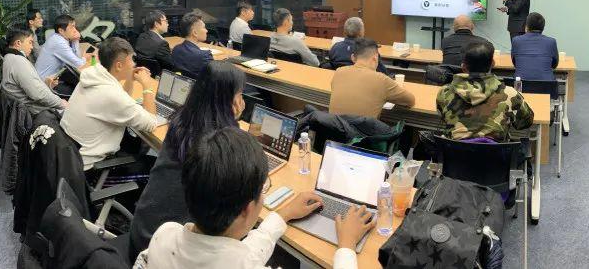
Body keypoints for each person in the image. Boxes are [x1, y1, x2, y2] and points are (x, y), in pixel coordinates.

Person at [133, 127, 373, 269]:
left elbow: (235, 257)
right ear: (248, 209)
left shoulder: (165, 235)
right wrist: (346, 247)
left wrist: (282, 215)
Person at [129, 61, 247, 261]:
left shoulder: (180, 121)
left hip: (141, 233)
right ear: (233, 100)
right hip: (167, 253)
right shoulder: (218, 145)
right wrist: (233, 123)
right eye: (240, 94)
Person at [61, 37, 165, 170]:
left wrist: (129, 79)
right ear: (119, 66)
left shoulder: (92, 75)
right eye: (131, 60)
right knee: (154, 165)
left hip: (73, 155)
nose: (134, 64)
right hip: (92, 167)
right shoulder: (111, 95)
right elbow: (151, 123)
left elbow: (122, 99)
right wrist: (147, 86)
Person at [437, 41, 534, 142]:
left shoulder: (445, 92)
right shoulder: (510, 94)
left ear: (463, 67)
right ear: (493, 64)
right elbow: (524, 123)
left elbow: (443, 117)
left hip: (454, 151)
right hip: (496, 151)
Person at [329, 38, 415, 119]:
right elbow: (410, 101)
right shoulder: (381, 79)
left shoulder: (339, 72)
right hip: (363, 129)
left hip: (334, 127)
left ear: (352, 58)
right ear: (375, 58)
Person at [1, 28, 66, 124]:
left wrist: (46, 84)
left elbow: (29, 88)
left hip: (27, 110)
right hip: (37, 113)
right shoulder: (19, 62)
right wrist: (61, 103)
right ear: (18, 43)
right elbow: (39, 95)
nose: (32, 47)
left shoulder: (8, 57)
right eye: (30, 42)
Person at [35, 14, 95, 79]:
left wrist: (75, 40)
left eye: (75, 27)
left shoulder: (58, 37)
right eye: (72, 27)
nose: (75, 30)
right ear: (61, 31)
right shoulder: (58, 42)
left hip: (54, 76)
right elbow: (79, 64)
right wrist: (85, 58)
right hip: (46, 81)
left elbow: (76, 57)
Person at [510, 12, 559, 81]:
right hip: (546, 85)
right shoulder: (551, 42)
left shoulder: (516, 40)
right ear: (543, 28)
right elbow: (554, 65)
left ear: (526, 26)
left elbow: (515, 63)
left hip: (520, 84)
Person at [171, 13, 214, 77]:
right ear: (195, 33)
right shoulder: (205, 56)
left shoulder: (176, 49)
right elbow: (214, 77)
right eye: (204, 27)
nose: (206, 31)